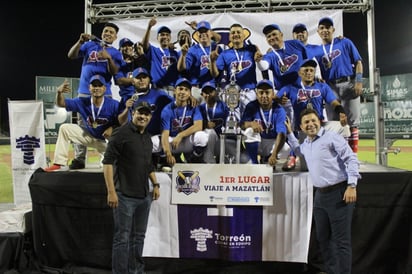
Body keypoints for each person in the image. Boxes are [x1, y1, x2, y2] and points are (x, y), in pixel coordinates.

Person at [285, 108, 360, 274]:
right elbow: (298, 150)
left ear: (319, 121)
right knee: (323, 239)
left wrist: (352, 185)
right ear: (302, 127)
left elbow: (351, 159)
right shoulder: (307, 144)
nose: (311, 124)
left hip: (339, 193)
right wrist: (290, 133)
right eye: (306, 122)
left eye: (313, 120)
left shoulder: (332, 137)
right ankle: (332, 271)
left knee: (341, 242)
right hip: (320, 196)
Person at [102, 101, 160, 274]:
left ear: (150, 117)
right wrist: (111, 192)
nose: (143, 116)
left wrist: (155, 184)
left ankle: (137, 271)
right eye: (140, 113)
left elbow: (148, 164)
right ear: (133, 113)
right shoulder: (120, 133)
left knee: (139, 238)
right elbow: (107, 163)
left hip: (143, 196)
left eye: (147, 114)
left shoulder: (147, 137)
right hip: (124, 195)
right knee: (122, 239)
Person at [67, 22, 124, 170]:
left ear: (116, 36)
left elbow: (115, 73)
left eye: (111, 32)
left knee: (107, 125)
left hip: (105, 93)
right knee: (82, 125)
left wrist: (109, 58)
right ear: (102, 33)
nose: (108, 34)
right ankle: (79, 158)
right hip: (85, 91)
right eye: (106, 31)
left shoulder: (116, 53)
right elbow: (71, 55)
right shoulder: (90, 45)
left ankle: (106, 157)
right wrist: (80, 42)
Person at [278, 59, 350, 170]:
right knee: (307, 169)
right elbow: (276, 98)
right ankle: (294, 157)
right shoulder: (291, 87)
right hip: (304, 130)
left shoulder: (322, 87)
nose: (309, 72)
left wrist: (341, 111)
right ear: (299, 72)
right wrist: (279, 100)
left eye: (311, 70)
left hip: (320, 127)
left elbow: (334, 102)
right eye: (306, 70)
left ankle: (344, 157)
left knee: (344, 127)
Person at [255, 23, 308, 171]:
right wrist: (259, 60)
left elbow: (308, 61)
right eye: (268, 36)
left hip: (301, 92)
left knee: (303, 127)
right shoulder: (271, 55)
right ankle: (292, 156)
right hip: (284, 96)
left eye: (274, 34)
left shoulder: (295, 44)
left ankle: (307, 159)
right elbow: (264, 66)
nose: (272, 37)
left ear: (281, 35)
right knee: (289, 127)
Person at [44, 75, 120, 172]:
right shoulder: (82, 101)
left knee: (109, 167)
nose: (97, 88)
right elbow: (61, 104)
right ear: (89, 88)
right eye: (94, 85)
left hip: (106, 142)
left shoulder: (113, 104)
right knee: (65, 128)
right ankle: (58, 163)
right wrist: (59, 93)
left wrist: (113, 128)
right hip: (89, 136)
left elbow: (123, 123)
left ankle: (105, 158)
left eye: (100, 86)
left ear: (104, 88)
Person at [314, 17, 363, 153]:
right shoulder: (317, 50)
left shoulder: (344, 42)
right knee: (334, 124)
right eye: (322, 28)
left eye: (328, 27)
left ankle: (353, 156)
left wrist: (359, 81)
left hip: (348, 83)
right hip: (330, 87)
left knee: (352, 124)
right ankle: (339, 155)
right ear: (318, 31)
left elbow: (358, 62)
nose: (325, 30)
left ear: (333, 30)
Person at [152, 78, 209, 166]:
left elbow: (199, 126)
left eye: (186, 90)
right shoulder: (167, 109)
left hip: (187, 141)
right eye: (180, 89)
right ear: (175, 91)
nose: (183, 92)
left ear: (190, 93)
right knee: (154, 142)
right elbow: (165, 134)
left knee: (202, 136)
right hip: (173, 142)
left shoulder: (193, 106)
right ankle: (163, 160)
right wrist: (168, 153)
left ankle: (193, 159)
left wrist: (181, 135)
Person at [214, 23, 261, 115]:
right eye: (233, 33)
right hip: (232, 92)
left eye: (238, 32)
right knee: (233, 120)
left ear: (244, 35)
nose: (236, 34)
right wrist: (212, 61)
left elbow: (262, 66)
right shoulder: (225, 54)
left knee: (249, 119)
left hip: (250, 91)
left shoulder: (252, 49)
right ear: (230, 37)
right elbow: (216, 74)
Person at [240, 79, 287, 167]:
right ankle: (255, 162)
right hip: (259, 143)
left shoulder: (279, 110)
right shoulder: (251, 106)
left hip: (272, 143)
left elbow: (281, 134)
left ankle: (268, 158)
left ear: (273, 94)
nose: (264, 95)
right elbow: (241, 125)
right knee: (249, 131)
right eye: (261, 93)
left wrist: (274, 154)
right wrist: (251, 124)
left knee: (286, 149)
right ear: (256, 95)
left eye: (267, 92)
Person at [177, 20, 220, 102]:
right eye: (200, 31)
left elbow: (218, 38)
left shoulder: (216, 48)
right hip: (196, 89)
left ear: (211, 33)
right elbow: (181, 68)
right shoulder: (192, 50)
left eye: (205, 31)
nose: (203, 34)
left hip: (211, 88)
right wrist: (183, 55)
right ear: (197, 34)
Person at [142, 17, 179, 95]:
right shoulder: (154, 51)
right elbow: (144, 45)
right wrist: (149, 27)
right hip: (157, 89)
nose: (165, 37)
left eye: (167, 35)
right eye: (162, 35)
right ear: (157, 38)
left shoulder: (175, 54)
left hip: (173, 90)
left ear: (170, 37)